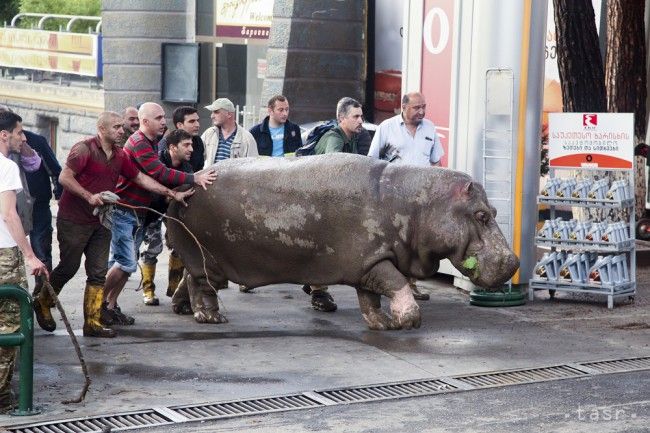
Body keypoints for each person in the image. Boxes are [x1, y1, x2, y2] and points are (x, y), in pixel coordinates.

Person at [31, 111, 196, 338]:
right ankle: (43, 302)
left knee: (98, 273)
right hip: (74, 220)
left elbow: (140, 178)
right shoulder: (83, 149)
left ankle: (93, 322)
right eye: (116, 127)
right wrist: (89, 196)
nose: (122, 131)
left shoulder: (120, 155)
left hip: (102, 220)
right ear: (102, 129)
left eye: (121, 127)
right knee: (69, 267)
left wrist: (171, 193)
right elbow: (64, 178)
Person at [103, 103, 216, 327]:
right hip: (125, 211)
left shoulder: (153, 142)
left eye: (163, 117)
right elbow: (158, 172)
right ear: (144, 122)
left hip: (137, 213)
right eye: (158, 117)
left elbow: (153, 177)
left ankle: (110, 306)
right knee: (124, 263)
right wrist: (193, 179)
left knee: (127, 264)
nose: (164, 121)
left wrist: (173, 193)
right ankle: (96, 305)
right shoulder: (138, 143)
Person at [367, 91, 445, 301]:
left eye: (423, 107)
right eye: (416, 107)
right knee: (393, 242)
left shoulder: (429, 127)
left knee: (415, 242)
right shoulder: (387, 128)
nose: (421, 111)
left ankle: (411, 284)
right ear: (403, 107)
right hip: (393, 197)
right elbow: (372, 162)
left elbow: (437, 162)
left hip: (422, 199)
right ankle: (391, 284)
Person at [0, 111, 49, 412]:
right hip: (4, 253)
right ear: (3, 135)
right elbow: (8, 214)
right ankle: (2, 393)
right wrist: (30, 255)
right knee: (11, 322)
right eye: (18, 132)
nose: (23, 137)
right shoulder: (5, 167)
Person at [301, 97, 365, 313]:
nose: (360, 120)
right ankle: (318, 291)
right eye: (355, 116)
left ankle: (313, 283)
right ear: (341, 118)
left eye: (361, 116)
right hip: (319, 204)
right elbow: (334, 167)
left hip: (332, 204)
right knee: (322, 248)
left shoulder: (353, 138)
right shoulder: (334, 138)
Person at [138, 106, 205, 306]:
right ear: (173, 147)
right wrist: (171, 196)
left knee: (178, 246)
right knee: (152, 248)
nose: (191, 150)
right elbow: (156, 182)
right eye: (186, 146)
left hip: (173, 211)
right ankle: (148, 290)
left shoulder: (188, 161)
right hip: (152, 210)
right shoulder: (159, 156)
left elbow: (191, 177)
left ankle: (174, 288)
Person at [202, 98, 258, 167]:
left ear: (228, 114)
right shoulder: (209, 133)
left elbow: (253, 167)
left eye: (216, 112)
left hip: (235, 178)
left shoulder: (247, 138)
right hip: (212, 177)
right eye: (212, 112)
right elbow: (197, 158)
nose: (212, 116)